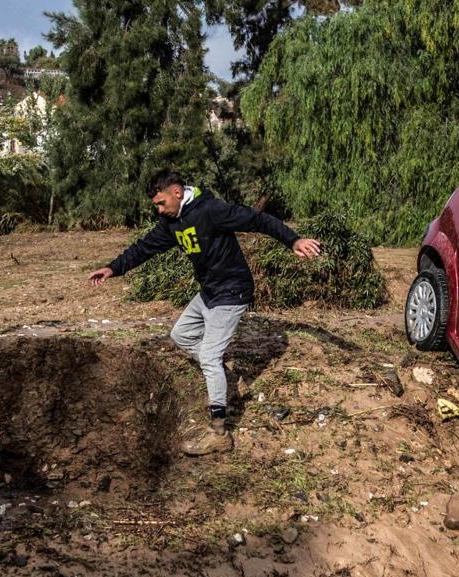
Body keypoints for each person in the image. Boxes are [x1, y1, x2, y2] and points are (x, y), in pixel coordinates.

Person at [89, 170, 322, 455]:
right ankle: (226, 378)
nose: (160, 210)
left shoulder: (212, 210)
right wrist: (113, 268)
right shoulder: (170, 222)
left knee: (209, 357)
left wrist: (293, 240)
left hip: (232, 291)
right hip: (210, 291)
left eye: (161, 203)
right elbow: (144, 247)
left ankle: (219, 432)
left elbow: (258, 219)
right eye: (157, 206)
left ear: (176, 192)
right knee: (181, 334)